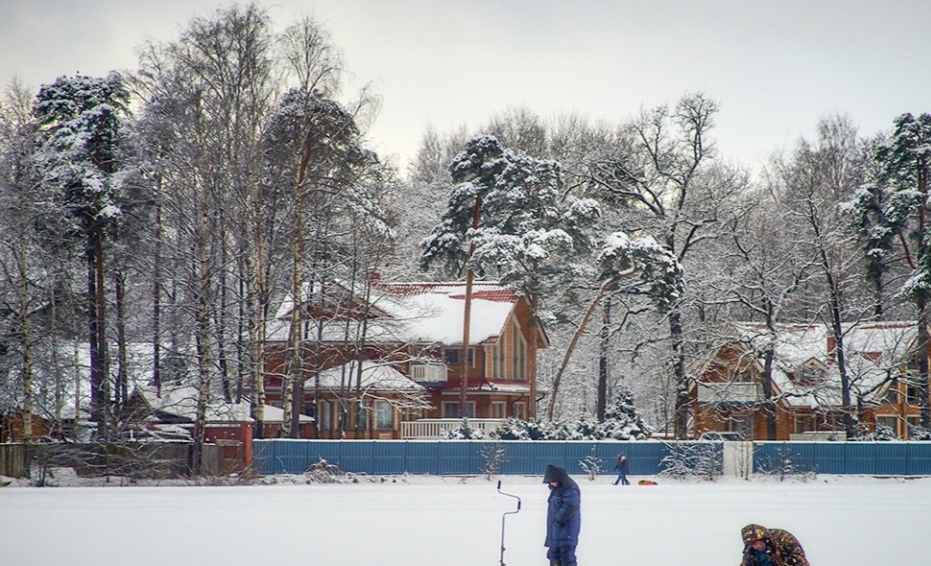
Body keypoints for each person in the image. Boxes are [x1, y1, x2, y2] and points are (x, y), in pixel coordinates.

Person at [543, 464, 581, 566]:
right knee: (554, 557)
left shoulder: (569, 488)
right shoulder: (557, 489)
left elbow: (571, 505)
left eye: (553, 481)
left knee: (566, 558)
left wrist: (558, 520)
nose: (551, 484)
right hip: (556, 531)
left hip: (566, 531)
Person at [739, 523, 810, 566]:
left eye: (755, 543)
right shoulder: (751, 551)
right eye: (751, 544)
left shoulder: (783, 538)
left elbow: (800, 561)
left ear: (761, 538)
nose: (754, 547)